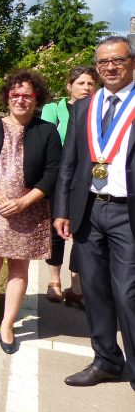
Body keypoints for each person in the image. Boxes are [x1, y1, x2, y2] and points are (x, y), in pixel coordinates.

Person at [54, 36, 135, 392]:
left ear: (131, 62)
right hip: (89, 210)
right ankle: (106, 360)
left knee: (127, 293)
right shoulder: (84, 107)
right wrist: (62, 210)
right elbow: (69, 163)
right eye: (102, 62)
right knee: (95, 290)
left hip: (127, 213)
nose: (109, 67)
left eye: (117, 60)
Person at [0, 70, 61, 354]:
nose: (21, 100)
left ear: (37, 99)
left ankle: (7, 324)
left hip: (29, 210)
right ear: (7, 97)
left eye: (27, 96)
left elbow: (52, 172)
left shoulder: (46, 131)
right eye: (15, 94)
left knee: (19, 267)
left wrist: (24, 202)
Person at [40, 66, 98, 307]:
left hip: (86, 179)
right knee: (57, 231)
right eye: (81, 83)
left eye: (91, 84)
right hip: (59, 179)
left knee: (82, 233)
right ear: (69, 86)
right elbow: (45, 142)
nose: (86, 88)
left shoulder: (97, 110)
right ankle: (54, 281)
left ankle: (76, 285)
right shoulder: (54, 109)